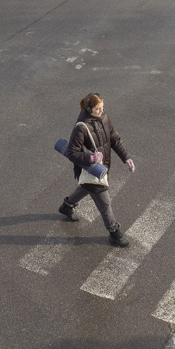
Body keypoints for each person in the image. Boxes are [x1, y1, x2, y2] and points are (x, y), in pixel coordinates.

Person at [58, 92, 135, 247]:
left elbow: (114, 139)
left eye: (102, 108)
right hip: (92, 168)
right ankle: (114, 232)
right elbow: (72, 153)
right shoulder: (81, 127)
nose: (101, 111)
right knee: (104, 202)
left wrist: (126, 157)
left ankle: (67, 206)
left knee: (86, 187)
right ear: (88, 108)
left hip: (102, 167)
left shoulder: (104, 118)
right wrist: (91, 159)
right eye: (98, 109)